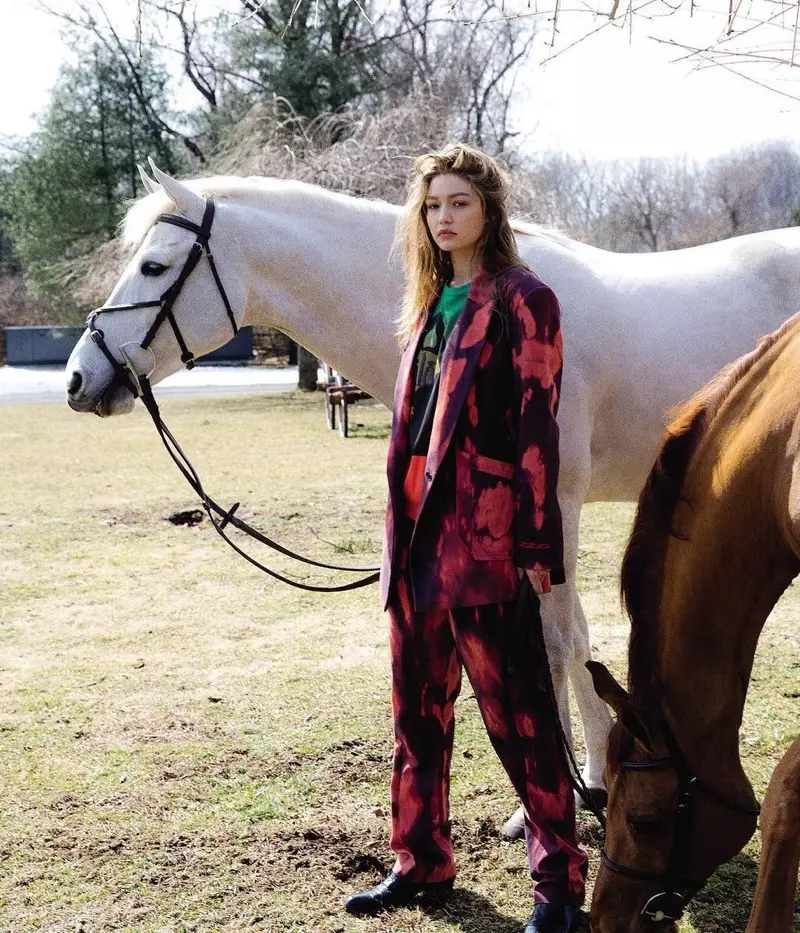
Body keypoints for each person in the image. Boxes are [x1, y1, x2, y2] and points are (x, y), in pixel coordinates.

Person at [344, 143, 587, 933]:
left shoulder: (526, 299)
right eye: (434, 205)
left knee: (520, 716)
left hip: (485, 543)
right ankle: (421, 860)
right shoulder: (423, 304)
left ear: (489, 211)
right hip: (413, 534)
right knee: (417, 710)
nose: (444, 217)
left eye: (460, 203)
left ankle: (558, 884)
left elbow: (536, 429)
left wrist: (537, 546)